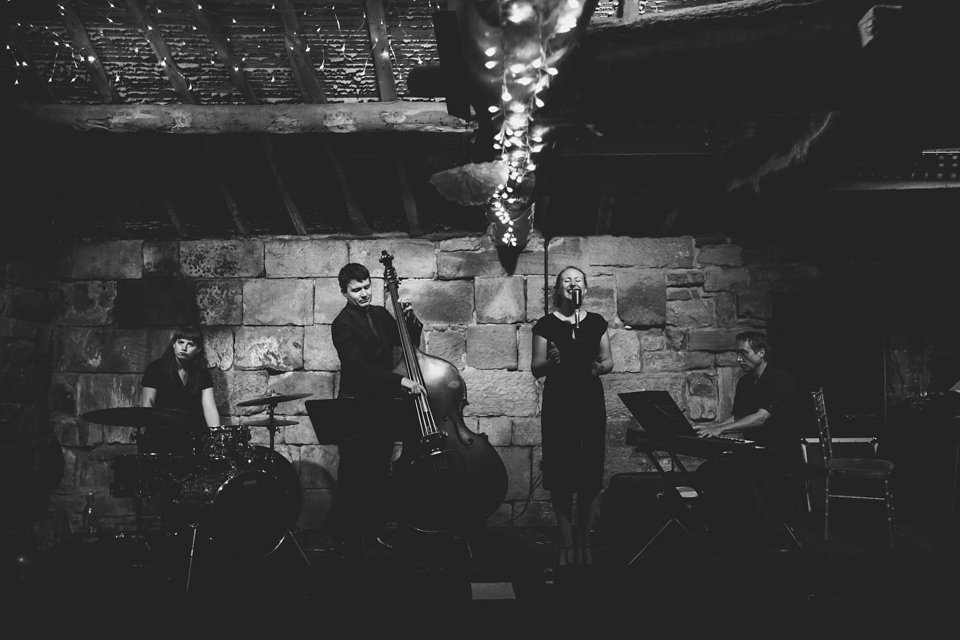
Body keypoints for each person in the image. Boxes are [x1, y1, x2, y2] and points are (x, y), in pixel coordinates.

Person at [331, 262, 425, 550]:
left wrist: (409, 320)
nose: (363, 294)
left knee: (378, 468)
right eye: (356, 290)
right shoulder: (342, 324)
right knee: (354, 472)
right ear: (344, 292)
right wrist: (401, 382)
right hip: (357, 406)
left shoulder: (381, 314)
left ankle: (375, 533)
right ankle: (349, 537)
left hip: (381, 403)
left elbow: (407, 344)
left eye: (367, 287)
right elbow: (357, 368)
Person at [531, 266, 614, 566]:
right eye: (566, 280)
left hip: (590, 401)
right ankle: (567, 543)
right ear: (557, 290)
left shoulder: (596, 323)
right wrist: (552, 363)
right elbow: (536, 367)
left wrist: (598, 368)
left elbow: (608, 360)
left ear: (585, 289)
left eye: (577, 280)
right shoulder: (546, 325)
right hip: (559, 403)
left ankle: (585, 540)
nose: (572, 284)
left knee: (591, 472)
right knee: (561, 472)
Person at [693, 330, 803, 551]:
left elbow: (760, 418)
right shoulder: (744, 382)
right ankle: (727, 530)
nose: (738, 359)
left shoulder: (781, 381)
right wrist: (714, 428)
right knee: (708, 471)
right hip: (754, 448)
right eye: (737, 354)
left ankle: (754, 532)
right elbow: (738, 415)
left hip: (780, 450)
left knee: (738, 474)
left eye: (743, 354)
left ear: (761, 353)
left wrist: (720, 430)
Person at [140, 325, 220, 455]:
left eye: (190, 344)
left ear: (198, 349)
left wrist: (216, 439)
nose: (184, 348)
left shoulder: (202, 373)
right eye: (180, 342)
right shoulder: (156, 368)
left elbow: (210, 409)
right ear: (173, 344)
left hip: (192, 436)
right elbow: (147, 406)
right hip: (161, 436)